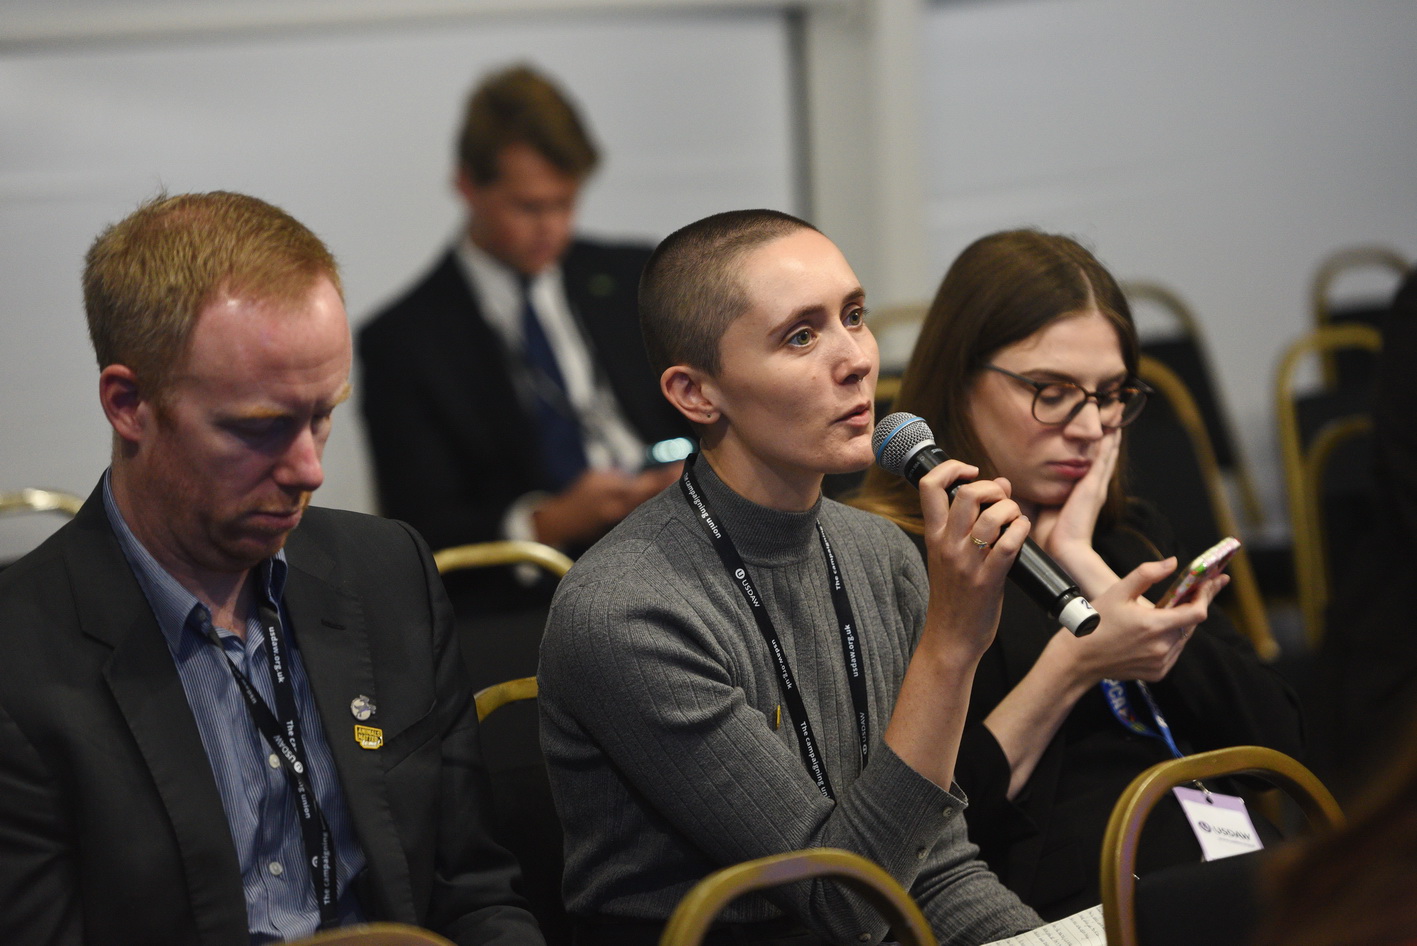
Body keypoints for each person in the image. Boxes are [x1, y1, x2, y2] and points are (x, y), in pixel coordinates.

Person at [0, 191, 544, 946]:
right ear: (129, 405)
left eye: (323, 413)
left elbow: (475, 895)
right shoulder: (21, 661)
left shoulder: (387, 576)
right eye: (261, 428)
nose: (309, 468)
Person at [538, 209, 1044, 946]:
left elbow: (935, 869)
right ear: (695, 394)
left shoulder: (881, 555)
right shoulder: (624, 610)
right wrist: (950, 645)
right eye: (800, 336)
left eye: (854, 316)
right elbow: (845, 906)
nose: (856, 359)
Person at [850, 229, 1305, 919]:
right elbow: (924, 833)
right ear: (959, 380)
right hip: (1066, 898)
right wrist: (1073, 668)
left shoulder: (1120, 536)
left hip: (1228, 865)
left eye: (1111, 394)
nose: (1090, 426)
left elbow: (1276, 747)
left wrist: (1082, 561)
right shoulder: (900, 558)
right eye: (1053, 391)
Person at [359, 64, 686, 608]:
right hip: (542, 594)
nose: (553, 228)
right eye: (529, 207)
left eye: (566, 203)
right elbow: (419, 532)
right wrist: (546, 521)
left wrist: (696, 473)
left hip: (685, 548)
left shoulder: (637, 275)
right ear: (467, 185)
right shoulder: (403, 340)